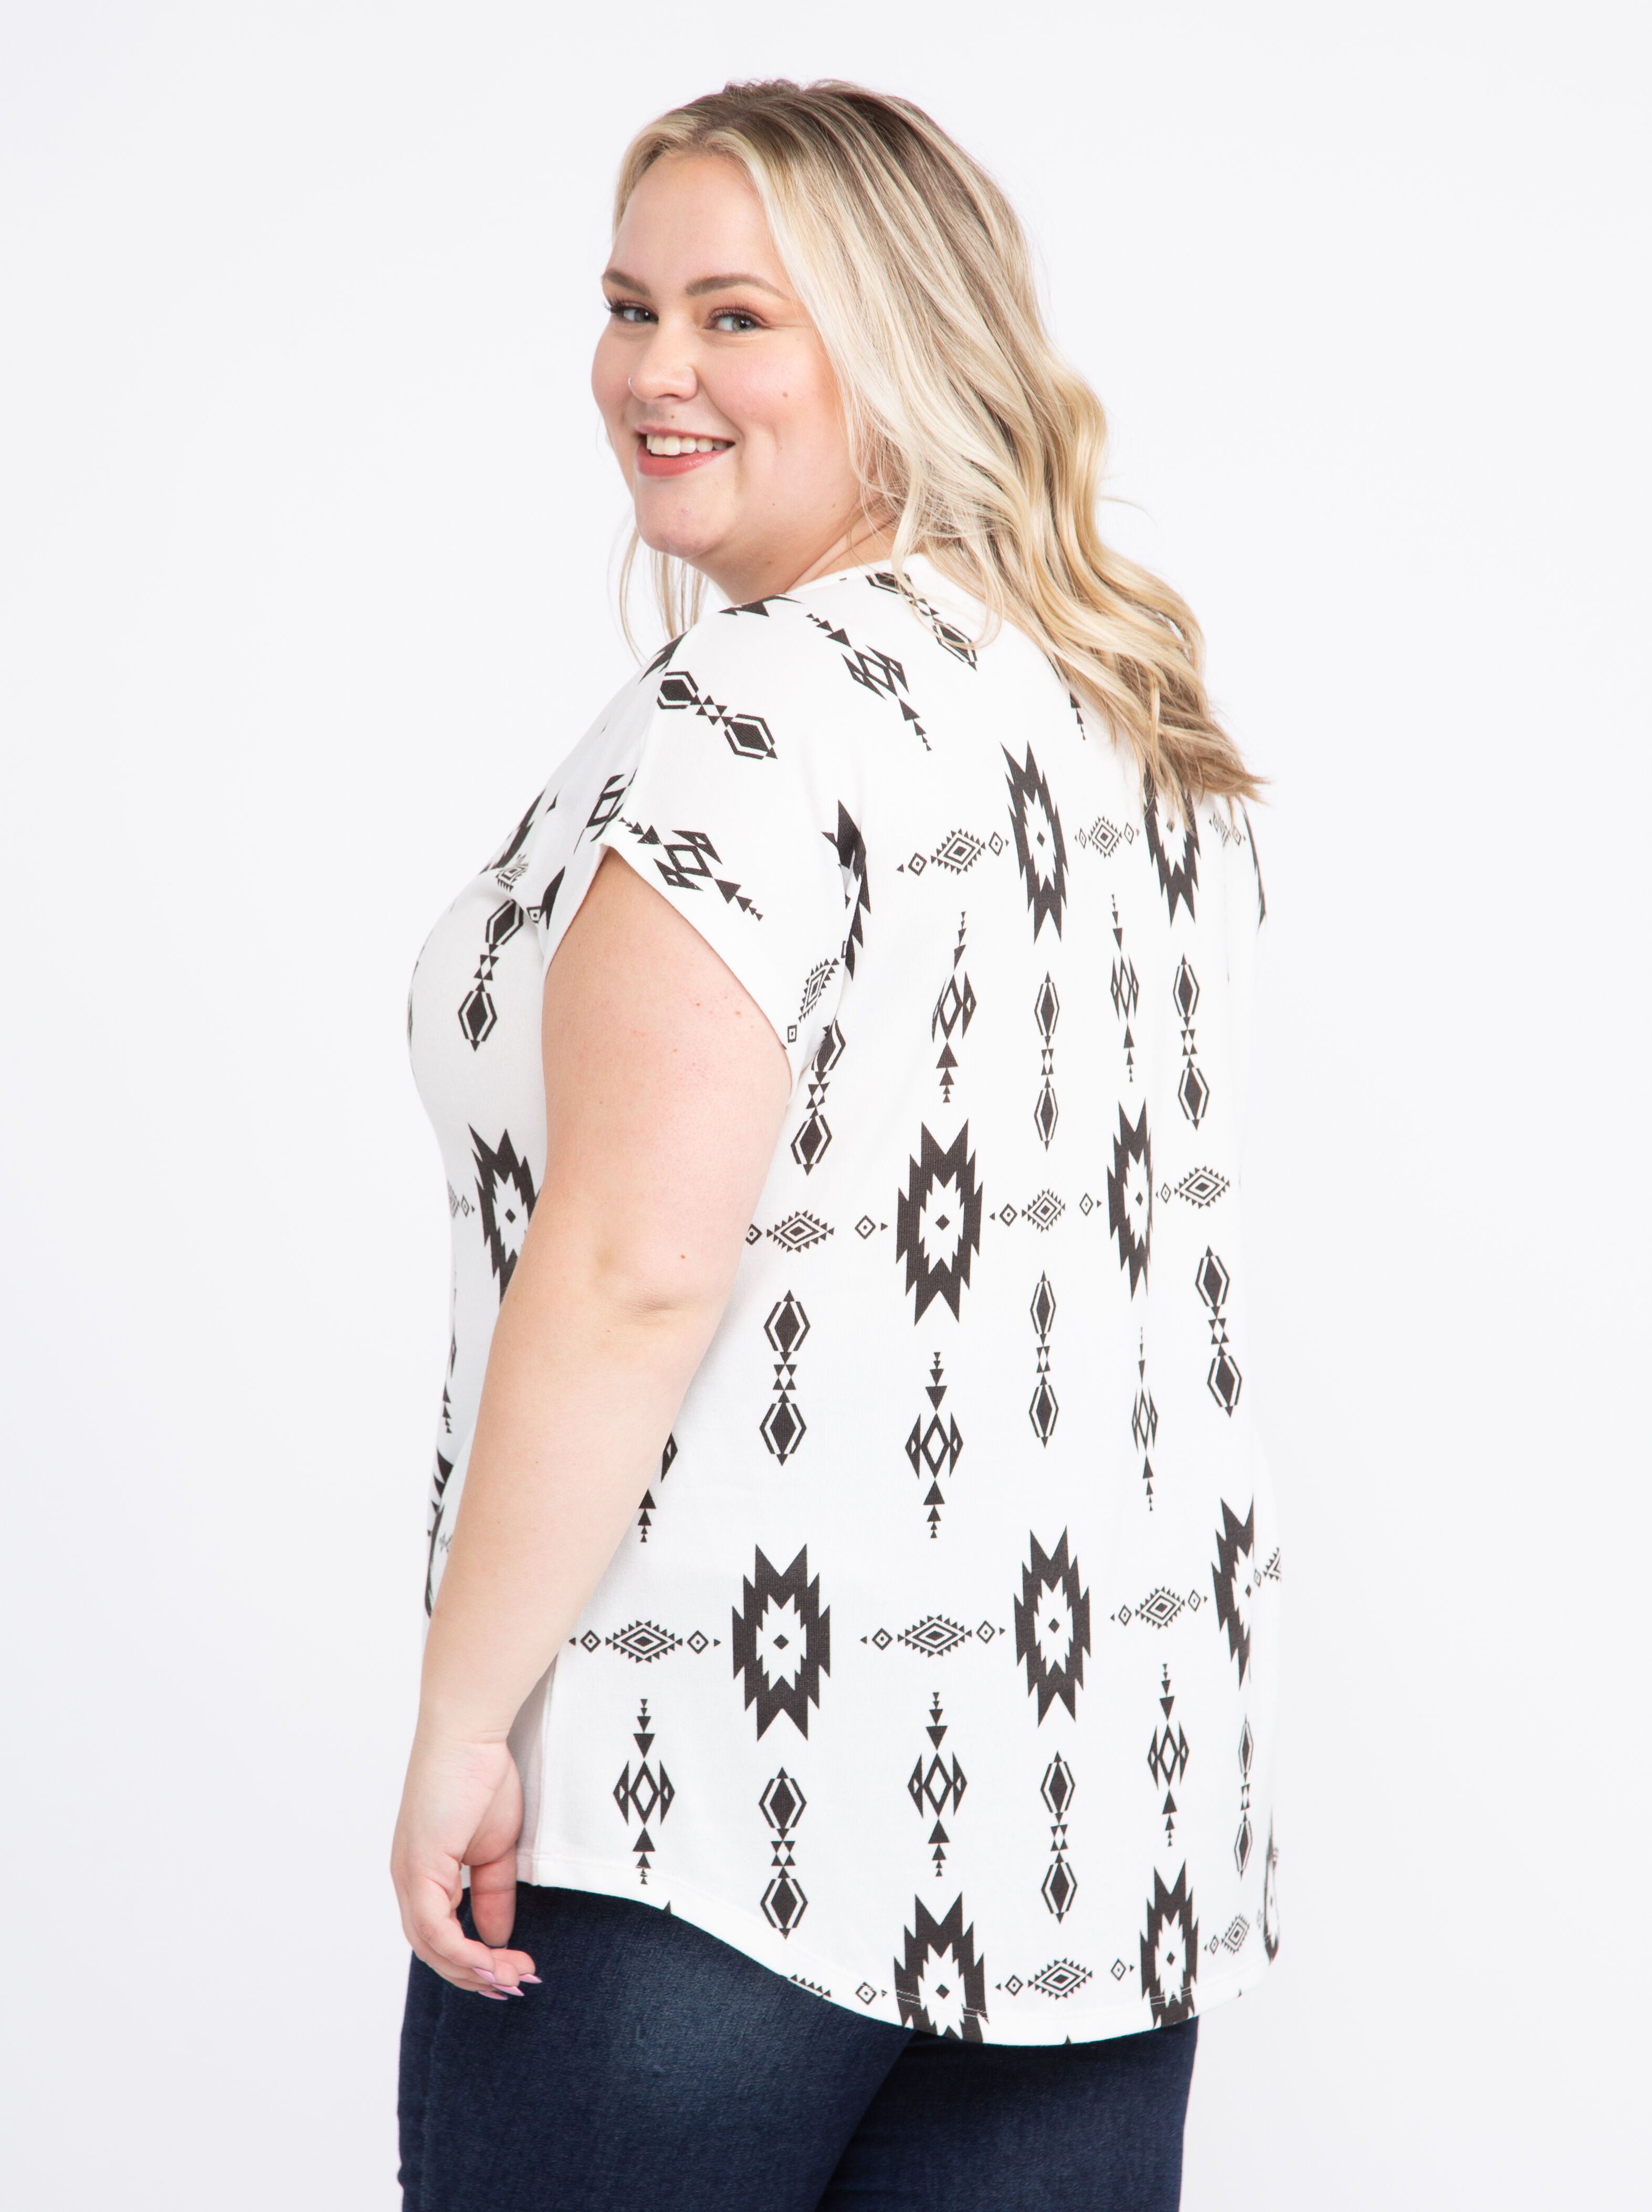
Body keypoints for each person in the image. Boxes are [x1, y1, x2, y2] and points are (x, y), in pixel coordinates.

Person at [392, 78, 1277, 2212]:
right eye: (629, 307)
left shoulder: (751, 716)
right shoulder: (1122, 705)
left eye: (735, 318)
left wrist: (463, 1723)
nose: (653, 373)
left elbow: (634, 1266)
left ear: (901, 343)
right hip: (1091, 1814)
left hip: (711, 1802)